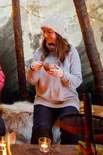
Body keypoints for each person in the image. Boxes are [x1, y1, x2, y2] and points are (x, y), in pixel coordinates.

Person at [27, 14, 82, 144]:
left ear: (59, 33)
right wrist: (32, 70)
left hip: (67, 101)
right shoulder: (39, 53)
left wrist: (62, 75)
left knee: (72, 131)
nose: (45, 35)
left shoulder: (71, 53)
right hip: (44, 100)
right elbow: (32, 81)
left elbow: (77, 80)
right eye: (44, 32)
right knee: (41, 129)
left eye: (49, 32)